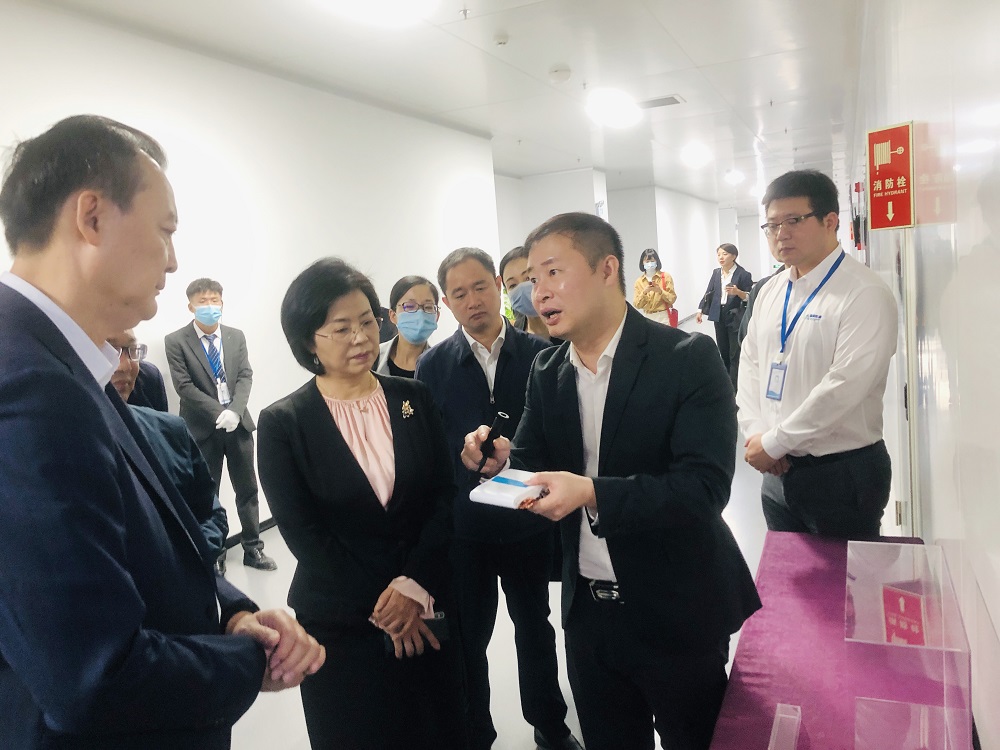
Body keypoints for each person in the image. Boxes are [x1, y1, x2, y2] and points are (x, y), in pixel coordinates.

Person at [0, 114, 324, 749]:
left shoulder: (67, 363)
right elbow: (94, 675)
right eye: (166, 231)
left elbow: (143, 550)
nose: (174, 262)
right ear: (92, 217)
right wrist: (254, 659)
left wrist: (232, 613)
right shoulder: (30, 387)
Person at [460, 212, 761, 750]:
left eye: (553, 273)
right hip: (589, 615)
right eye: (531, 279)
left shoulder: (686, 358)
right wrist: (500, 463)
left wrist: (593, 493)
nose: (538, 292)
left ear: (606, 269)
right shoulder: (548, 371)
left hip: (676, 608)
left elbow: (704, 488)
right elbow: (530, 460)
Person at [257, 258, 467, 749]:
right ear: (309, 340)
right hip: (342, 624)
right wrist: (389, 607)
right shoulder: (284, 422)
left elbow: (443, 497)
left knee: (440, 732)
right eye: (341, 328)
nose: (361, 337)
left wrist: (413, 586)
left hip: (428, 604)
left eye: (368, 322)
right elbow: (306, 535)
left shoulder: (413, 397)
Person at [416, 248, 580, 750]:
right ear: (447, 303)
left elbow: (560, 436)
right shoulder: (432, 366)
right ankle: (476, 733)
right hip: (466, 530)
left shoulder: (541, 354)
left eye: (480, 286)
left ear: (499, 285)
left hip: (527, 520)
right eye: (459, 293)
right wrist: (462, 458)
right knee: (469, 636)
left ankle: (549, 724)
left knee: (534, 626)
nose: (473, 300)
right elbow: (429, 451)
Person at [738, 169, 898, 540]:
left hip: (841, 475)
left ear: (830, 221)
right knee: (788, 572)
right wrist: (756, 432)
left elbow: (844, 387)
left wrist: (774, 442)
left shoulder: (864, 293)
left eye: (793, 220)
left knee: (844, 576)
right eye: (771, 225)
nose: (780, 234)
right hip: (777, 472)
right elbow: (750, 363)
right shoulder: (771, 290)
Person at [164, 279, 276, 572]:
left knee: (247, 489)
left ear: (222, 303)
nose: (210, 306)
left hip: (238, 425)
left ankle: (253, 548)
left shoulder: (235, 336)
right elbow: (184, 386)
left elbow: (245, 375)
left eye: (214, 300)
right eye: (203, 301)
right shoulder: (176, 341)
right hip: (203, 429)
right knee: (207, 494)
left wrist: (235, 412)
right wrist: (220, 412)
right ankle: (214, 552)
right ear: (191, 306)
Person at [109, 328, 231, 565]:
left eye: (131, 350)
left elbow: (212, 514)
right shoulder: (63, 449)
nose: (124, 365)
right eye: (110, 350)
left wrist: (187, 559)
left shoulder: (169, 430)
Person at [696, 243, 752, 386]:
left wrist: (738, 292)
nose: (721, 257)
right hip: (718, 314)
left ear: (733, 256)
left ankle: (735, 386)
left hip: (735, 315)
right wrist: (700, 309)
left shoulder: (743, 274)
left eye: (725, 254)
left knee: (734, 352)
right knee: (723, 349)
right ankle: (726, 382)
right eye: (719, 254)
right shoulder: (716, 273)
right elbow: (709, 291)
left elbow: (749, 297)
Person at [374, 274, 440, 377]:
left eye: (428, 307)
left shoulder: (443, 365)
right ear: (393, 315)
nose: (420, 314)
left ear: (437, 316)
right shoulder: (373, 358)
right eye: (409, 306)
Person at [499, 244, 557, 342]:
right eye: (513, 285)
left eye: (528, 278)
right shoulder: (513, 336)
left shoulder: (568, 327)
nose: (521, 288)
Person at [632, 248, 677, 326]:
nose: (650, 263)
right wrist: (644, 292)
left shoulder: (665, 277)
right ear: (642, 263)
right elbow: (637, 304)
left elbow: (672, 298)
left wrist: (660, 291)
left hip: (663, 317)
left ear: (657, 261)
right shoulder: (639, 282)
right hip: (648, 317)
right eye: (647, 261)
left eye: (652, 261)